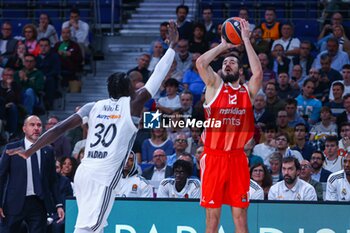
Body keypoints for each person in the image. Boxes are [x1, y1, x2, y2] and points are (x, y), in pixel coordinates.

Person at [6, 21, 178, 233]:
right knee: (89, 228)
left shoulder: (93, 106)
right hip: (103, 177)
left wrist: (31, 149)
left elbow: (58, 129)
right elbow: (157, 76)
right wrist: (172, 48)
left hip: (84, 172)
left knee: (91, 226)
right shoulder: (131, 105)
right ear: (128, 90)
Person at [196, 19, 262, 233]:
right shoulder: (214, 86)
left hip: (236, 158)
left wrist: (245, 41)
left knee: (240, 218)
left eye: (232, 62)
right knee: (212, 220)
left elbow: (258, 74)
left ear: (240, 70)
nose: (227, 63)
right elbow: (201, 63)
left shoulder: (247, 92)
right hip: (214, 157)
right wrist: (224, 46)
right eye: (225, 62)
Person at [0, 115, 64, 233]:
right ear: (24, 128)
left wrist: (58, 204)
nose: (36, 128)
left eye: (39, 125)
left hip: (39, 203)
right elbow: (1, 177)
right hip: (14, 203)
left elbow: (52, 180)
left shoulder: (48, 150)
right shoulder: (12, 148)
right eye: (32, 125)